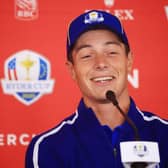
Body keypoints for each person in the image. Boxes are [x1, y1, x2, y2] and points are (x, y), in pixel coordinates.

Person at [25, 10, 168, 168]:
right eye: (87, 55)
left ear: (129, 61)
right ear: (72, 69)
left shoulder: (164, 134)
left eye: (112, 52)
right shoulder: (48, 148)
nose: (101, 63)